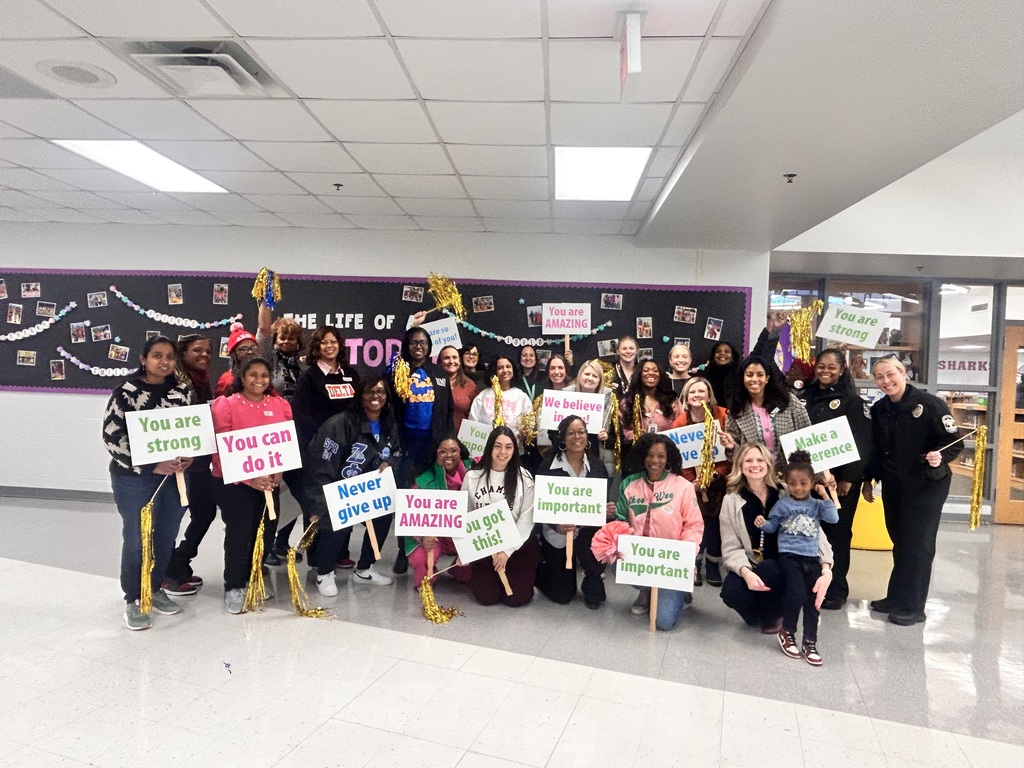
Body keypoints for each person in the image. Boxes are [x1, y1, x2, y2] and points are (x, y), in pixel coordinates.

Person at [862, 356, 963, 626]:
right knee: (900, 541)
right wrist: (868, 479)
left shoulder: (929, 405)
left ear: (903, 373)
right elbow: (877, 449)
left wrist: (940, 455)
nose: (886, 381)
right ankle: (896, 597)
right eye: (880, 377)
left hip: (926, 485)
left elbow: (954, 441)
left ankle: (913, 607)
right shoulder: (880, 409)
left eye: (890, 374)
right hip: (895, 485)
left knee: (918, 545)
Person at [103, 335, 193, 630]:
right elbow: (112, 438)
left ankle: (153, 589)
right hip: (134, 479)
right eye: (157, 356)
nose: (164, 362)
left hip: (174, 478)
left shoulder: (181, 391)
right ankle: (133, 597)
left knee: (166, 536)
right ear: (143, 359)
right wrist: (151, 464)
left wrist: (189, 455)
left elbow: (190, 430)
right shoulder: (125, 393)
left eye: (169, 356)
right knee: (137, 538)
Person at [719, 442, 834, 634]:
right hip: (752, 563)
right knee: (732, 591)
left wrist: (826, 567)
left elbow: (814, 531)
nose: (754, 465)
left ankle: (774, 614)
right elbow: (730, 546)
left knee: (770, 569)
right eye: (748, 460)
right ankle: (758, 614)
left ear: (768, 463)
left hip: (789, 563)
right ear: (740, 465)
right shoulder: (731, 500)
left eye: (759, 460)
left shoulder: (787, 492)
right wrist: (746, 573)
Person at [306, 375, 402, 594]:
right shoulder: (340, 424)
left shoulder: (389, 423)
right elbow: (322, 464)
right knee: (337, 523)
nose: (375, 396)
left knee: (383, 517)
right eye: (369, 391)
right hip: (342, 490)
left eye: (381, 391)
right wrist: (320, 503)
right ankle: (325, 573)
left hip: (370, 490)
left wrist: (390, 463)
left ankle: (365, 569)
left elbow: (396, 452)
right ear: (360, 396)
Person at [210, 357, 291, 614]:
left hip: (269, 483)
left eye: (264, 375)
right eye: (253, 374)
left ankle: (254, 576)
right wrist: (249, 479)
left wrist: (278, 471)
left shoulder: (279, 405)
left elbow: (285, 443)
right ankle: (234, 585)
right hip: (236, 485)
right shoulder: (226, 406)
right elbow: (221, 451)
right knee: (240, 536)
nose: (259, 380)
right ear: (242, 377)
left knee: (267, 533)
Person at [796, 349, 873, 609]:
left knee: (837, 534)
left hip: (838, 483)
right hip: (806, 481)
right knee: (806, 532)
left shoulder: (852, 402)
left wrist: (849, 478)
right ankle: (809, 585)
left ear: (841, 370)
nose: (825, 371)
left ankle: (836, 589)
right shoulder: (803, 397)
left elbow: (862, 441)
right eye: (821, 366)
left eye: (831, 367)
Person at [755, 450, 839, 665]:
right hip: (789, 557)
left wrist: (825, 495)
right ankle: (787, 631)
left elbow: (833, 518)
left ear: (811, 483)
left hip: (812, 558)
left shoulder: (817, 505)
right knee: (797, 595)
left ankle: (810, 641)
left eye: (803, 483)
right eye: (793, 483)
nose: (798, 488)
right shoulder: (782, 505)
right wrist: (763, 523)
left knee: (814, 601)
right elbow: (772, 527)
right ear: (787, 483)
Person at [615, 432, 703, 630]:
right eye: (650, 455)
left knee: (663, 622)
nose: (655, 460)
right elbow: (621, 520)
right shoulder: (629, 484)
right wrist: (622, 545)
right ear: (642, 456)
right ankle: (645, 589)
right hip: (641, 556)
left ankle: (682, 589)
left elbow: (694, 525)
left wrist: (685, 557)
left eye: (661, 456)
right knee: (617, 563)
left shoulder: (683, 487)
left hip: (671, 560)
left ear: (668, 458)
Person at [389, 325, 455, 574]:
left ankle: (431, 548)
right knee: (405, 500)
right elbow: (389, 408)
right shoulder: (397, 371)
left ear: (429, 347)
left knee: (430, 498)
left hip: (433, 446)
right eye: (414, 342)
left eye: (423, 343)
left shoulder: (438, 373)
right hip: (406, 446)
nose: (418, 346)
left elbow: (448, 411)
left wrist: (448, 442)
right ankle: (403, 550)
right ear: (407, 346)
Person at [535, 416, 614, 609]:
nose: (577, 437)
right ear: (562, 438)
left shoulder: (597, 466)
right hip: (558, 532)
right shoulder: (548, 466)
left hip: (586, 530)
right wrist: (556, 526)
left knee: (599, 543)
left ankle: (592, 579)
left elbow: (599, 501)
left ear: (587, 435)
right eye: (571, 433)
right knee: (563, 595)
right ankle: (540, 570)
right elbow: (540, 504)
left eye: (581, 432)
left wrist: (605, 509)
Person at [462, 427, 541, 607]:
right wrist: (466, 549)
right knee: (486, 597)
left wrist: (507, 551)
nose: (503, 452)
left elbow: (526, 519)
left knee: (516, 599)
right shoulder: (472, 477)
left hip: (517, 545)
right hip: (485, 545)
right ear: (490, 447)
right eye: (498, 446)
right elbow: (465, 515)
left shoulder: (524, 478)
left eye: (508, 447)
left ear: (515, 450)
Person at [254, 309, 309, 562]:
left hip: (297, 438)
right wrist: (265, 307)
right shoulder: (267, 362)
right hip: (271, 436)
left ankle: (281, 542)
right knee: (271, 491)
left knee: (294, 493)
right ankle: (263, 547)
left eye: (291, 338)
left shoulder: (304, 366)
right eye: (282, 337)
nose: (287, 342)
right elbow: (263, 336)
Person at [163, 334, 216, 595]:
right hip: (176, 466)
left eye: (208, 351)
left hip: (200, 463)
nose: (204, 355)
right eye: (197, 350)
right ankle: (166, 574)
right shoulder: (173, 383)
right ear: (183, 353)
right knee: (171, 519)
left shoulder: (203, 381)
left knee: (205, 513)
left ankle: (179, 561)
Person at [671, 377, 733, 587]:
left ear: (709, 395)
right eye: (692, 392)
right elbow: (678, 457)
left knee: (716, 526)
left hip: (720, 482)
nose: (696, 395)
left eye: (701, 391)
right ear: (686, 396)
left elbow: (729, 452)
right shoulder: (680, 422)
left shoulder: (722, 416)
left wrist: (713, 475)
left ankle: (713, 563)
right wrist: (693, 480)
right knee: (695, 524)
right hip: (692, 484)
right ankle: (695, 562)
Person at [404, 435, 473, 588]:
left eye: (453, 450)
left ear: (460, 452)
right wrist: (422, 537)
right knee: (421, 559)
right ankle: (429, 575)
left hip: (465, 532)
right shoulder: (424, 480)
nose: (449, 455)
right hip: (436, 536)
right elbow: (410, 515)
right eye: (443, 451)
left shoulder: (474, 470)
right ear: (436, 454)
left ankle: (459, 570)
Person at [725, 355, 811, 471]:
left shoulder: (788, 401)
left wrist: (820, 474)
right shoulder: (736, 410)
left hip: (790, 474)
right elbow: (735, 456)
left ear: (767, 378)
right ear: (742, 378)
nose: (754, 379)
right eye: (749, 375)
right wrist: (731, 447)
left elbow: (808, 436)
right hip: (755, 475)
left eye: (760, 375)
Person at [563, 358, 615, 473]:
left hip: (597, 455)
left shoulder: (610, 400)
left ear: (600, 381)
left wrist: (607, 437)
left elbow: (617, 436)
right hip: (569, 455)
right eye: (587, 374)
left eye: (595, 376)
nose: (590, 378)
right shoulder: (565, 396)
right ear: (580, 375)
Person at [468, 355, 534, 444]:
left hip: (513, 448)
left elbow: (529, 425)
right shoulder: (483, 396)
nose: (505, 370)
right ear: (494, 371)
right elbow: (472, 423)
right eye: (500, 368)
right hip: (486, 447)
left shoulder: (522, 397)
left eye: (508, 366)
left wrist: (526, 433)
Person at [621, 358, 682, 444]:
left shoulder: (672, 401)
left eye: (655, 370)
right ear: (639, 375)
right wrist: (634, 435)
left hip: (667, 449)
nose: (651, 373)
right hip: (636, 450)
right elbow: (620, 432)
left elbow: (682, 426)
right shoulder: (627, 401)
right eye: (646, 370)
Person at [437, 344, 478, 432]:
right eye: (446, 358)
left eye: (454, 357)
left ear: (459, 362)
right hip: (435, 435)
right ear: (440, 362)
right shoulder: (432, 383)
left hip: (460, 437)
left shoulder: (470, 385)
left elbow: (476, 416)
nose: (451, 361)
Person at [214, 322, 260, 397]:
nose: (250, 352)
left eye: (253, 348)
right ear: (233, 354)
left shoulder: (263, 376)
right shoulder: (227, 381)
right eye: (243, 349)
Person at [700, 341, 740, 406]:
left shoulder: (739, 375)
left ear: (733, 356)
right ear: (713, 356)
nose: (722, 353)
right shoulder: (705, 376)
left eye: (727, 351)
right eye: (718, 351)